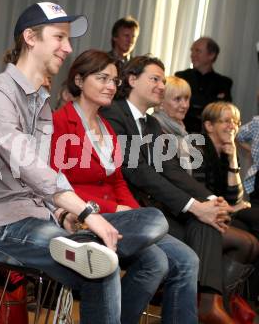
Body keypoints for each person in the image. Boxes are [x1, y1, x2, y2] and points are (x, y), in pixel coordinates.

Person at [0, 2, 169, 324]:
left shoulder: (39, 102)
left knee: (151, 223)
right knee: (102, 264)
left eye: (68, 40)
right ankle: (85, 242)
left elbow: (39, 179)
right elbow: (31, 166)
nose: (68, 48)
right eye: (60, 37)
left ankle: (82, 241)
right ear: (30, 37)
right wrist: (86, 211)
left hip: (40, 219)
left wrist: (61, 212)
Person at [50, 49, 198, 323]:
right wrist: (115, 209)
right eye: (102, 78)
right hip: (85, 217)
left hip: (119, 218)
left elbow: (117, 180)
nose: (110, 86)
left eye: (114, 81)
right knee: (155, 260)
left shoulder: (106, 127)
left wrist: (129, 210)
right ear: (79, 81)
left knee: (187, 259)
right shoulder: (61, 122)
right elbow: (57, 182)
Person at [100, 55, 236, 323]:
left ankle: (207, 302)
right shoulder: (113, 114)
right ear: (132, 80)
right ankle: (195, 304)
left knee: (207, 224)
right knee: (188, 249)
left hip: (150, 209)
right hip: (123, 210)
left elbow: (171, 169)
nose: (162, 86)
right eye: (155, 79)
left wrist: (210, 199)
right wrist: (195, 206)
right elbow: (138, 172)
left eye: (163, 80)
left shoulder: (151, 124)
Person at [154, 80, 259, 306]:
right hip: (188, 213)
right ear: (209, 126)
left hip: (209, 210)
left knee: (252, 234)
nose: (233, 126)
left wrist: (232, 159)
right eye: (226, 121)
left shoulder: (200, 140)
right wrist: (227, 207)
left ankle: (228, 304)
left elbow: (234, 197)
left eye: (236, 122)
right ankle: (210, 305)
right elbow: (194, 188)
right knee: (248, 241)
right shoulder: (194, 146)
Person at [175, 37, 233, 133]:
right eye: (192, 51)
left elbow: (222, 112)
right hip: (181, 132)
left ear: (211, 55)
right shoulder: (181, 77)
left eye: (197, 51)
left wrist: (191, 99)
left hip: (209, 137)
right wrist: (211, 100)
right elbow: (174, 103)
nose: (192, 55)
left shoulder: (224, 83)